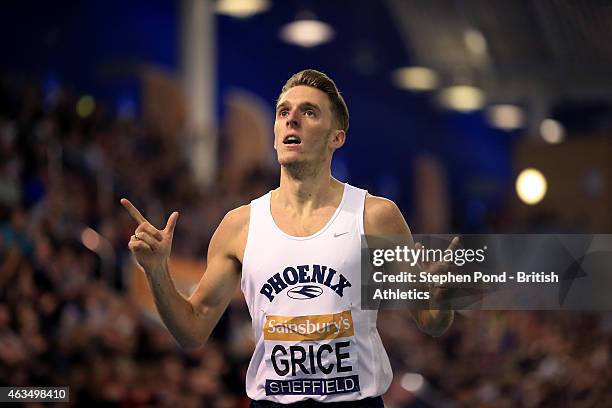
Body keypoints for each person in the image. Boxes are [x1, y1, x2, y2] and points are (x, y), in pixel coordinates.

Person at [121, 69, 454, 407]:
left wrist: (441, 300)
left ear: (336, 137)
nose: (292, 119)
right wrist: (157, 271)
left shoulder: (375, 217)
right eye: (284, 112)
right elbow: (191, 332)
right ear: (276, 133)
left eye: (309, 112)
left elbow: (430, 321)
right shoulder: (239, 225)